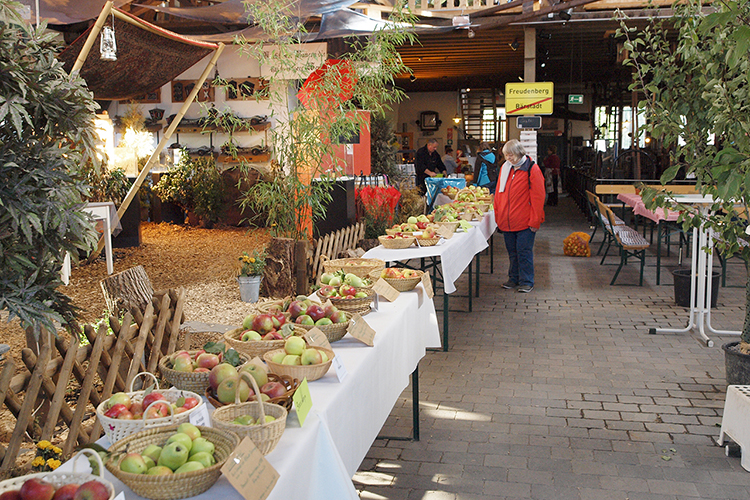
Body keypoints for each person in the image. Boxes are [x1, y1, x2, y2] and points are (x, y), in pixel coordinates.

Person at [494, 139, 546, 293]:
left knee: (524, 252)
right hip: (507, 221)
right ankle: (513, 278)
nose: (509, 159)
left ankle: (527, 281)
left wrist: (535, 221)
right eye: (506, 156)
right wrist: (499, 215)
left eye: (511, 155)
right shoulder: (506, 169)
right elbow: (499, 194)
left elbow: (538, 197)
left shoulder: (532, 169)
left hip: (525, 222)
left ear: (519, 153)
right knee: (512, 253)